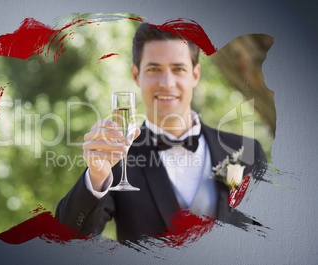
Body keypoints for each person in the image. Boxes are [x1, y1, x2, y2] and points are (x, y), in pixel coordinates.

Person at [55, 23, 267, 242]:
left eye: (178, 69)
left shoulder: (247, 152)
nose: (167, 83)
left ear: (195, 75)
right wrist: (96, 177)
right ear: (136, 76)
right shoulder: (118, 157)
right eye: (154, 69)